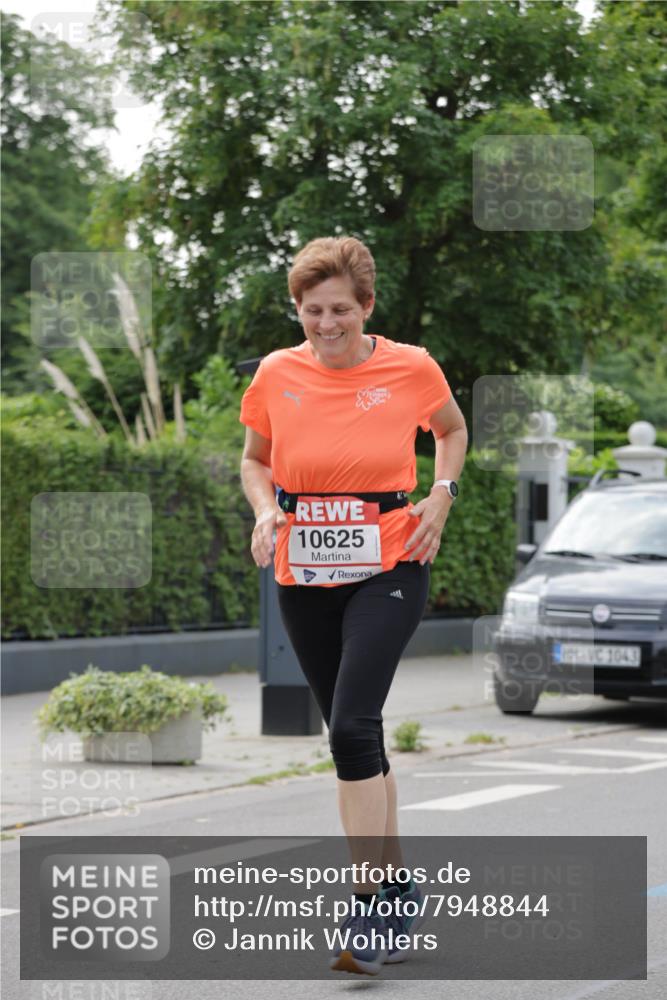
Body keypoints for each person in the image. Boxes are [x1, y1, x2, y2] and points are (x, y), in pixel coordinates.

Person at [239, 236, 468, 976]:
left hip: (391, 559)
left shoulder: (410, 365)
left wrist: (442, 493)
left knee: (350, 724)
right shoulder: (277, 373)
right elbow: (254, 459)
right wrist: (263, 510)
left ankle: (369, 902)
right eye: (311, 311)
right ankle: (399, 889)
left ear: (366, 306)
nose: (325, 323)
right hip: (303, 569)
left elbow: (452, 431)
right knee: (357, 743)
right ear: (296, 310)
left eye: (339, 309)